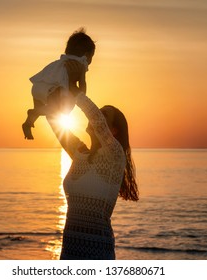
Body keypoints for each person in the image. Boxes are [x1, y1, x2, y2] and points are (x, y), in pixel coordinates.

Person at [46, 60, 139, 260]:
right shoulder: (79, 154)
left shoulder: (115, 156)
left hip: (97, 252)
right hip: (69, 250)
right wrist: (56, 88)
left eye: (104, 115)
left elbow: (95, 118)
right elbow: (53, 119)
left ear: (112, 130)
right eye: (99, 114)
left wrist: (76, 91)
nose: (96, 118)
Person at [22, 28, 96, 140]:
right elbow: (82, 94)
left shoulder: (60, 62)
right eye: (91, 57)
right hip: (53, 89)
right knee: (61, 110)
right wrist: (81, 77)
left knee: (44, 108)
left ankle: (28, 122)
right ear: (86, 55)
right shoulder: (81, 63)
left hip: (39, 85)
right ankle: (33, 113)